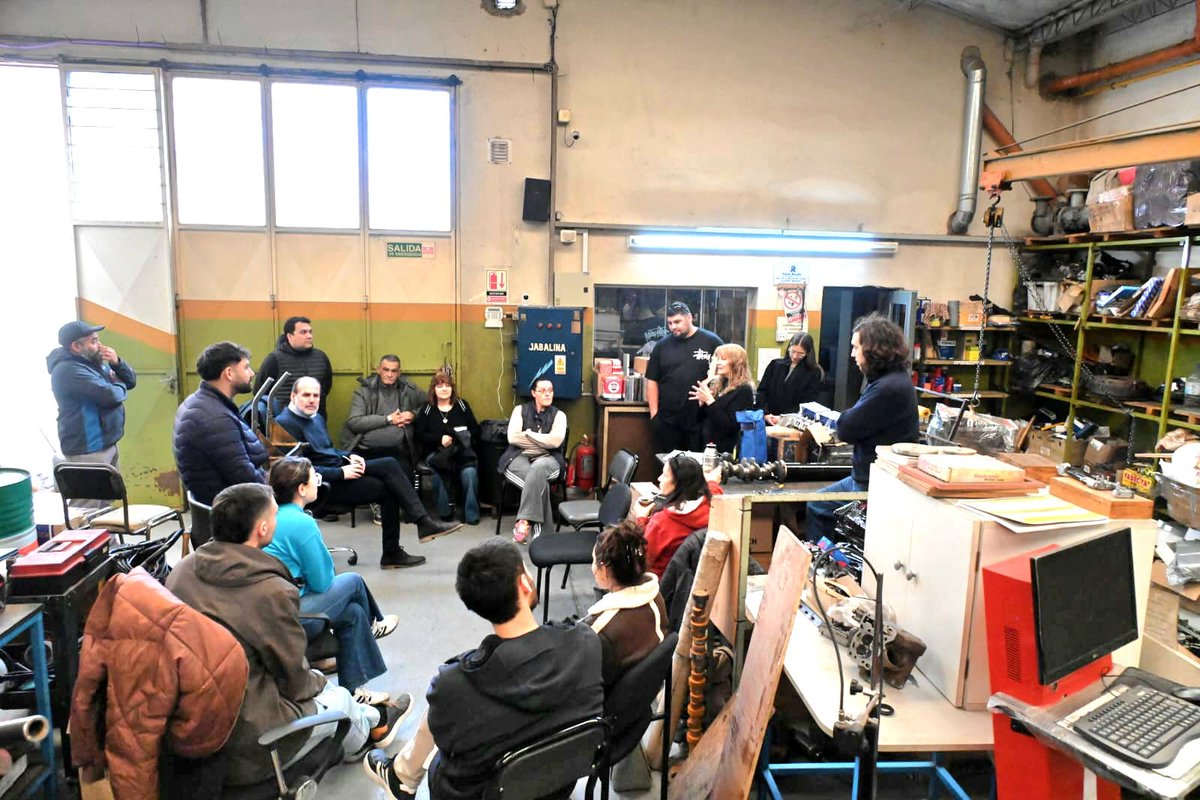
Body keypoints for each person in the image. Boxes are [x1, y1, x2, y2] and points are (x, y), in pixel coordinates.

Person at [165, 483, 411, 788]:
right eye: (275, 514)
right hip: (249, 732)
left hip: (193, 713)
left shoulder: (181, 571)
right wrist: (323, 684)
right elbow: (296, 682)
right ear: (263, 528)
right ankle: (373, 726)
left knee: (348, 630)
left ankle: (373, 718)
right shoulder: (271, 590)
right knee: (341, 702)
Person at [362, 539, 604, 800]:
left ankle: (402, 777)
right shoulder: (585, 642)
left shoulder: (454, 685)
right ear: (524, 584)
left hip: (479, 793)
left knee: (442, 740)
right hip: (558, 783)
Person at [276, 377, 461, 569]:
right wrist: (340, 473)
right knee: (388, 486)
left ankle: (408, 538)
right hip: (322, 485)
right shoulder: (285, 423)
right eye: (306, 395)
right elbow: (295, 471)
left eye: (316, 395)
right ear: (293, 396)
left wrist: (349, 456)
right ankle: (412, 533)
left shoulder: (314, 417)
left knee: (390, 466)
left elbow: (327, 451)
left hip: (339, 469)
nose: (312, 400)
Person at [265, 457, 400, 698]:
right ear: (302, 489)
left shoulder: (272, 516)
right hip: (294, 615)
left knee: (353, 613)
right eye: (314, 477)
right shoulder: (301, 523)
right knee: (354, 581)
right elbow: (322, 582)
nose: (319, 481)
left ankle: (353, 692)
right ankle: (374, 624)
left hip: (275, 609)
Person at [806, 313, 918, 541]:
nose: (852, 354)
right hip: (865, 475)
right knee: (818, 504)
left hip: (872, 482)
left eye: (856, 348)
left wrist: (847, 416)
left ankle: (827, 567)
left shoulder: (888, 387)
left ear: (874, 350)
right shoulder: (888, 380)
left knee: (818, 507)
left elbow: (847, 428)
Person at [174, 341, 269, 505]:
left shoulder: (204, 403)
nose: (252, 373)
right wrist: (279, 492)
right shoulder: (214, 417)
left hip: (225, 501)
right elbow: (245, 477)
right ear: (229, 373)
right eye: (246, 367)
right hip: (233, 510)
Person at [583, 519, 668, 689]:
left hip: (608, 705)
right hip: (642, 695)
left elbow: (586, 683)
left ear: (605, 571)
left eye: (594, 561)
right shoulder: (656, 598)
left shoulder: (600, 629)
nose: (592, 568)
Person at [47, 320, 137, 468]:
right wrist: (118, 384)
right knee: (94, 491)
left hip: (106, 444)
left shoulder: (92, 365)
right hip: (87, 450)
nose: (100, 346)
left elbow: (131, 382)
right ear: (76, 346)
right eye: (94, 341)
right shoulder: (69, 370)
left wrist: (117, 363)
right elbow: (110, 395)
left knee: (113, 491)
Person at [645, 301, 724, 454]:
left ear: (689, 318)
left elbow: (723, 376)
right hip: (668, 422)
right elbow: (652, 379)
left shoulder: (712, 342)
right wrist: (654, 415)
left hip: (701, 421)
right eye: (670, 323)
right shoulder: (662, 346)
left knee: (698, 471)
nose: (673, 326)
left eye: (677, 322)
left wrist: (711, 393)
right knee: (669, 469)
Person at [499, 378, 566, 544]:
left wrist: (529, 434)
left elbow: (556, 441)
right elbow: (513, 437)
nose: (547, 393)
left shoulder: (559, 415)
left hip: (549, 459)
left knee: (538, 469)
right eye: (542, 390)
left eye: (550, 390)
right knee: (537, 480)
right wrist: (544, 441)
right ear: (533, 393)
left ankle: (524, 521)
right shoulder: (520, 410)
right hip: (518, 457)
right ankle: (543, 537)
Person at [414, 369, 482, 525]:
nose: (444, 389)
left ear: (452, 388)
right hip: (437, 453)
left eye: (447, 386)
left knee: (470, 473)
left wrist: (462, 436)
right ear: (433, 390)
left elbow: (476, 429)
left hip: (461, 451)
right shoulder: (427, 408)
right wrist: (440, 439)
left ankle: (470, 514)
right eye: (439, 386)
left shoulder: (462, 405)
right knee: (437, 470)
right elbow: (420, 434)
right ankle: (444, 512)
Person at [637, 454, 723, 577]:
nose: (659, 478)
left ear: (678, 483)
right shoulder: (712, 506)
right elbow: (713, 490)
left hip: (659, 587)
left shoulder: (662, 523)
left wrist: (642, 519)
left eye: (665, 475)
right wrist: (711, 481)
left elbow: (642, 558)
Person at [341, 354, 426, 469]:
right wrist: (389, 419)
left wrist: (413, 415)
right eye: (386, 370)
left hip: (398, 452)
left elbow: (429, 406)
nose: (389, 375)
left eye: (394, 371)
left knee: (402, 478)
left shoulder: (408, 389)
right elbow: (354, 422)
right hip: (366, 452)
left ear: (399, 373)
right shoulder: (364, 392)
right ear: (378, 370)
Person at [254, 316, 334, 419]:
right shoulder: (274, 359)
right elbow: (259, 392)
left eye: (310, 332)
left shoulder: (321, 358)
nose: (309, 336)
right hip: (283, 425)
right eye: (303, 332)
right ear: (290, 336)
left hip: (315, 421)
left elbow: (325, 388)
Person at [690, 343, 755, 455]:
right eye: (718, 359)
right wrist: (702, 403)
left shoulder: (744, 390)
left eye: (723, 359)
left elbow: (730, 426)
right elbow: (702, 419)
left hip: (724, 451)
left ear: (736, 363)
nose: (718, 363)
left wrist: (710, 401)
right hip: (705, 445)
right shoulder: (719, 385)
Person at [760, 332, 824, 424]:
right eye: (792, 351)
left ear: (808, 353)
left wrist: (783, 418)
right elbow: (762, 391)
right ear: (789, 347)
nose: (795, 356)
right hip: (768, 418)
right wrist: (765, 413)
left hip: (792, 421)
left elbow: (807, 403)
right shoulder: (775, 364)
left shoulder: (814, 372)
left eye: (800, 353)